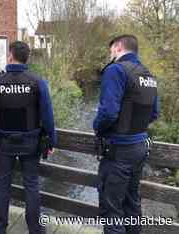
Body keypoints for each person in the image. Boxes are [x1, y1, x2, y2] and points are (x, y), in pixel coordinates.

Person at [0, 41, 56, 234]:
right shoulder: (38, 82)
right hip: (31, 141)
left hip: (4, 141)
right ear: (26, 57)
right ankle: (35, 228)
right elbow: (47, 116)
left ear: (10, 56)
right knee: (31, 184)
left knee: (3, 184)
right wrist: (52, 140)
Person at [93, 34, 159, 234]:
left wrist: (97, 126)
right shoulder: (149, 76)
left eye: (111, 49)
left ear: (119, 47)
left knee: (112, 210)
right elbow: (154, 113)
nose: (110, 53)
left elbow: (108, 113)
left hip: (119, 150)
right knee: (132, 204)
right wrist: (133, 128)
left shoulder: (115, 70)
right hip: (140, 148)